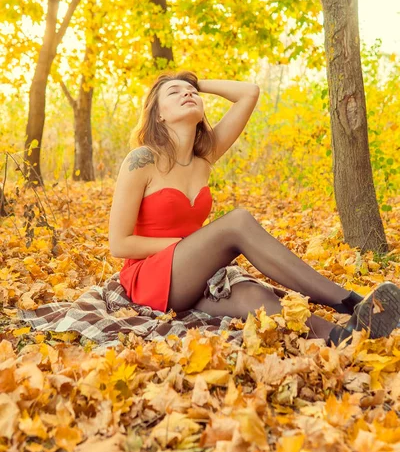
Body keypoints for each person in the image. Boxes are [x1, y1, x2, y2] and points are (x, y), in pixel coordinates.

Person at [108, 70, 400, 346]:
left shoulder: (203, 159)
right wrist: (184, 245)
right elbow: (119, 244)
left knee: (254, 295)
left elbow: (249, 93)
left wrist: (196, 82)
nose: (188, 94)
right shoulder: (142, 160)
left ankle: (341, 336)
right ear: (158, 114)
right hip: (150, 277)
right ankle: (350, 300)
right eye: (174, 92)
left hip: (194, 275)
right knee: (237, 221)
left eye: (192, 93)